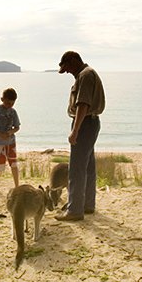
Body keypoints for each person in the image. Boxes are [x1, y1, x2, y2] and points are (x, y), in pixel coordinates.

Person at [55, 51, 105, 222]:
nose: (67, 71)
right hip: (90, 123)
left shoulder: (85, 75)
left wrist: (75, 130)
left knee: (76, 168)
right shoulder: (87, 73)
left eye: (67, 67)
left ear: (74, 60)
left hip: (84, 124)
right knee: (88, 166)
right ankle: (87, 205)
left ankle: (75, 210)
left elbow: (83, 104)